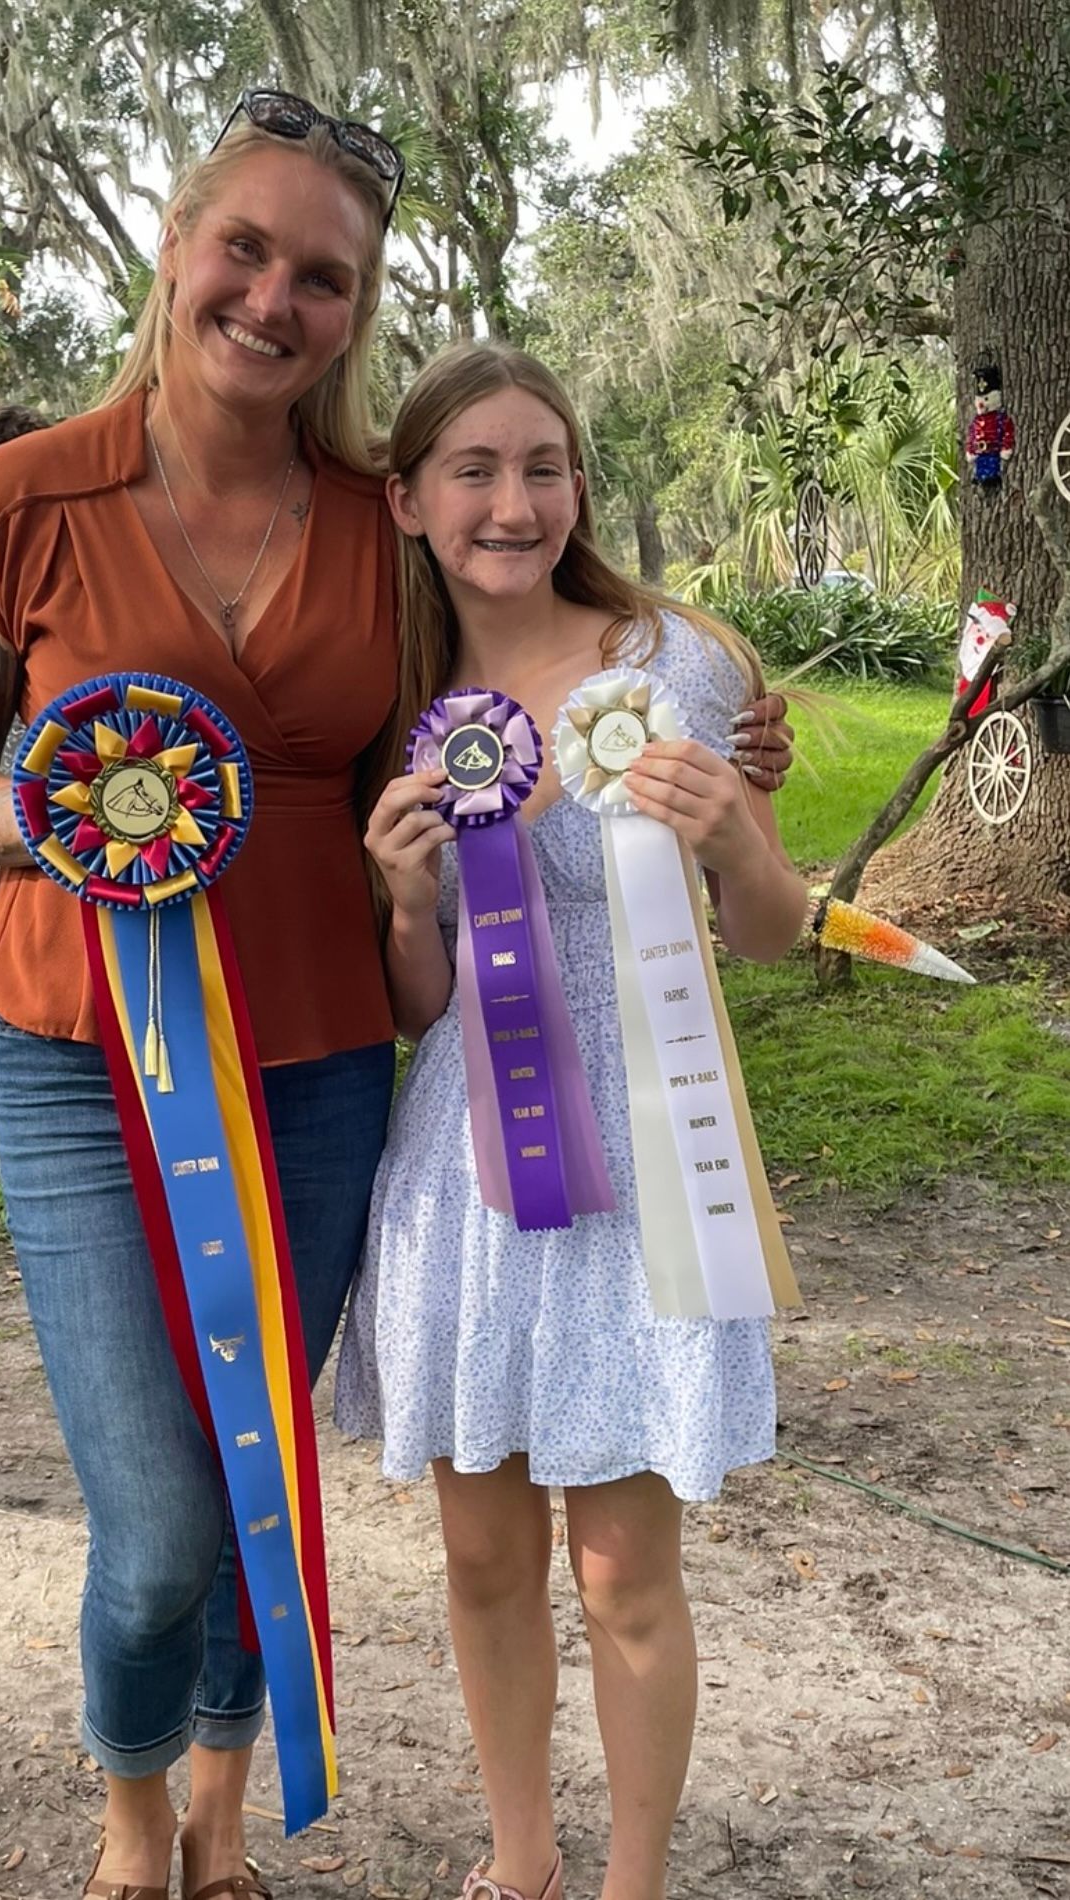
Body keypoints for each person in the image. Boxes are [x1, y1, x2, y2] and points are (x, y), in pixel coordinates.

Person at [0, 88, 793, 1900]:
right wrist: (63, 815)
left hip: (325, 1056)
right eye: (249, 251)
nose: (275, 300)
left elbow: (563, 692)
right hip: (87, 1048)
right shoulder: (18, 502)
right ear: (175, 243)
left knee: (260, 1467)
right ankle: (138, 1809)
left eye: (326, 277)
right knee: (158, 1515)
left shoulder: (390, 539)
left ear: (355, 314)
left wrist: (731, 756)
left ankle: (222, 1816)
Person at [336, 342, 808, 1900]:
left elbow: (771, 931)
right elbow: (415, 1005)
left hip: (647, 1170)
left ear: (579, 485)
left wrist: (734, 824)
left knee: (624, 1574)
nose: (514, 501)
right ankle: (523, 1862)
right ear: (407, 499)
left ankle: (634, 1882)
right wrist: (407, 893)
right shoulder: (390, 705)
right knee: (483, 1562)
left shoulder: (680, 660)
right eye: (473, 469)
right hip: (470, 1174)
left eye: (544, 465)